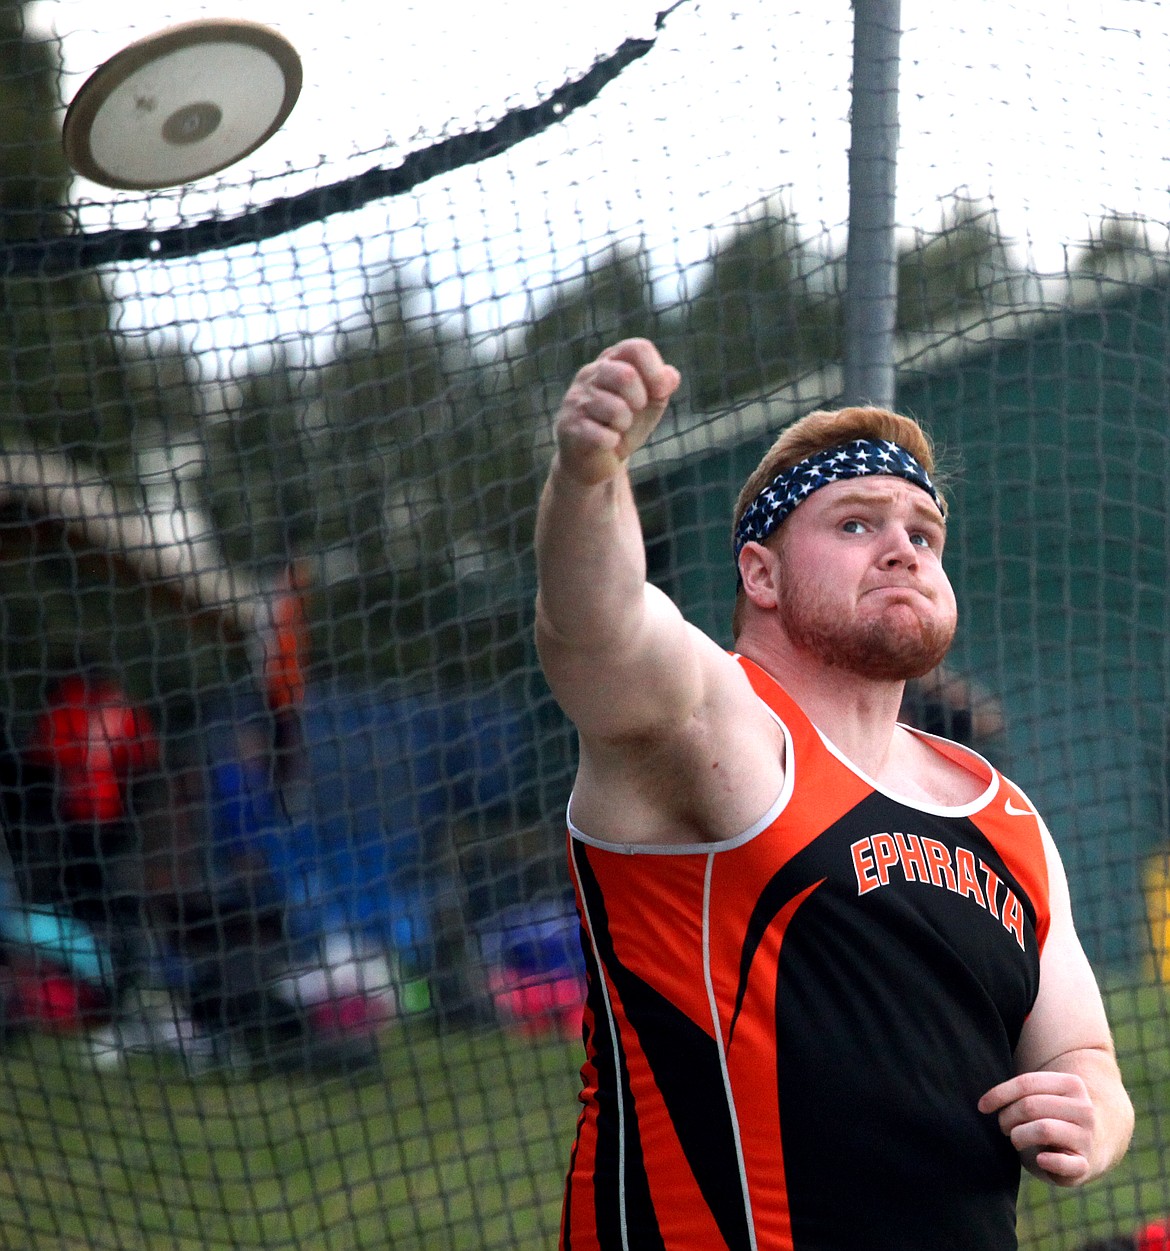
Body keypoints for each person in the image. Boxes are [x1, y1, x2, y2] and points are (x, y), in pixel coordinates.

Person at [534, 338, 1133, 1250]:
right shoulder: (718, 733)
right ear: (760, 575)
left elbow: (1082, 1054)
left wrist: (1092, 1111)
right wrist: (589, 478)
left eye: (923, 534)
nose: (902, 548)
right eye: (855, 523)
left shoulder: (1004, 816)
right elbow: (598, 625)